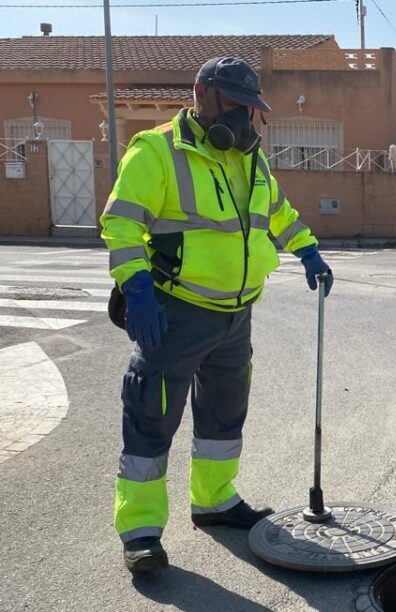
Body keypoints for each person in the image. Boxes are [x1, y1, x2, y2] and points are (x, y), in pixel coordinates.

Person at [101, 57, 334, 574]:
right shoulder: (157, 151)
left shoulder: (249, 159)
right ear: (201, 94)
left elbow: (278, 212)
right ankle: (140, 529)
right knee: (151, 418)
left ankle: (214, 501)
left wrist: (307, 250)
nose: (243, 119)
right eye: (233, 103)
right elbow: (120, 225)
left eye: (250, 108)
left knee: (223, 417)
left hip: (236, 315)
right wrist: (136, 287)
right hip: (175, 313)